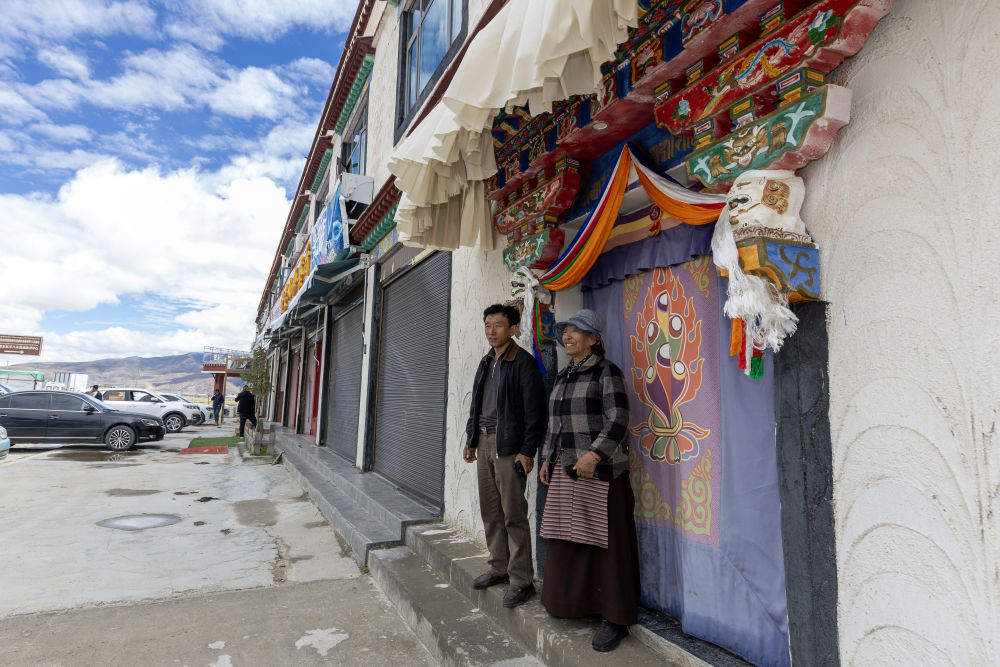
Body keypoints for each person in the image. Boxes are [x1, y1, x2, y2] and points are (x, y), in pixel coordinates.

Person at [538, 308, 639, 652]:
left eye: (575, 331)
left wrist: (594, 456)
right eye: (565, 331)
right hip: (566, 471)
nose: (567, 336)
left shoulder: (606, 372)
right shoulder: (563, 376)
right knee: (568, 540)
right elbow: (555, 424)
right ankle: (574, 604)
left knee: (608, 548)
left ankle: (616, 618)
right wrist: (547, 458)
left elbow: (619, 418)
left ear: (593, 339)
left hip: (602, 474)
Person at [464, 304, 547, 608]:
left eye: (498, 325)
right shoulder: (486, 361)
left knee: (513, 514)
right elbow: (476, 404)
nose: (491, 331)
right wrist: (471, 440)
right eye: (488, 325)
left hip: (510, 447)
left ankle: (522, 580)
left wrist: (527, 450)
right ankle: (499, 567)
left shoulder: (524, 363)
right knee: (490, 511)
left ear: (512, 329)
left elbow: (535, 412)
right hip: (485, 441)